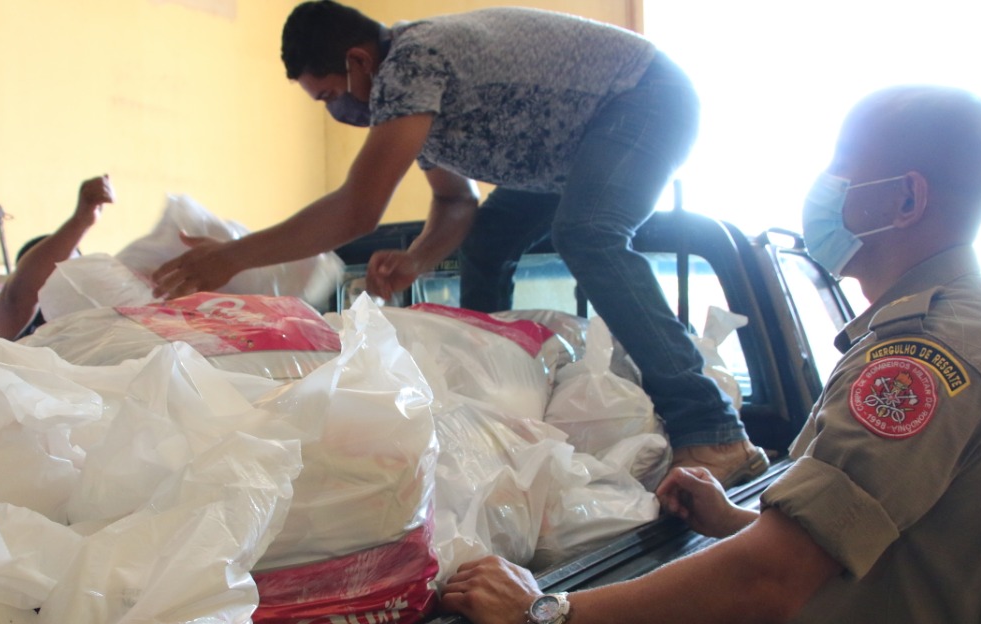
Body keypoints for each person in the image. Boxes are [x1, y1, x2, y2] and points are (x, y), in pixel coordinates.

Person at [439, 85, 981, 624]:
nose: (824, 190)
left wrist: (545, 616)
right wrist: (737, 520)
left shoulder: (928, 353)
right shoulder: (940, 326)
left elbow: (773, 578)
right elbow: (885, 537)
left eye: (841, 169)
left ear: (904, 197)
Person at [150, 1, 767, 487]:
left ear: (360, 62)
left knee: (588, 234)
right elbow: (456, 203)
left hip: (642, 98)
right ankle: (499, 385)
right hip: (576, 144)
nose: (334, 109)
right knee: (490, 240)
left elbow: (358, 207)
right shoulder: (412, 97)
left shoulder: (412, 63)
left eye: (329, 93)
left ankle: (710, 425)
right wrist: (417, 259)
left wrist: (230, 256)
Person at [0, 175, 113, 340]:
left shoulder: (92, 318)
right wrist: (81, 221)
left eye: (73, 270)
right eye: (58, 271)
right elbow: (20, 295)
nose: (69, 281)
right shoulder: (8, 314)